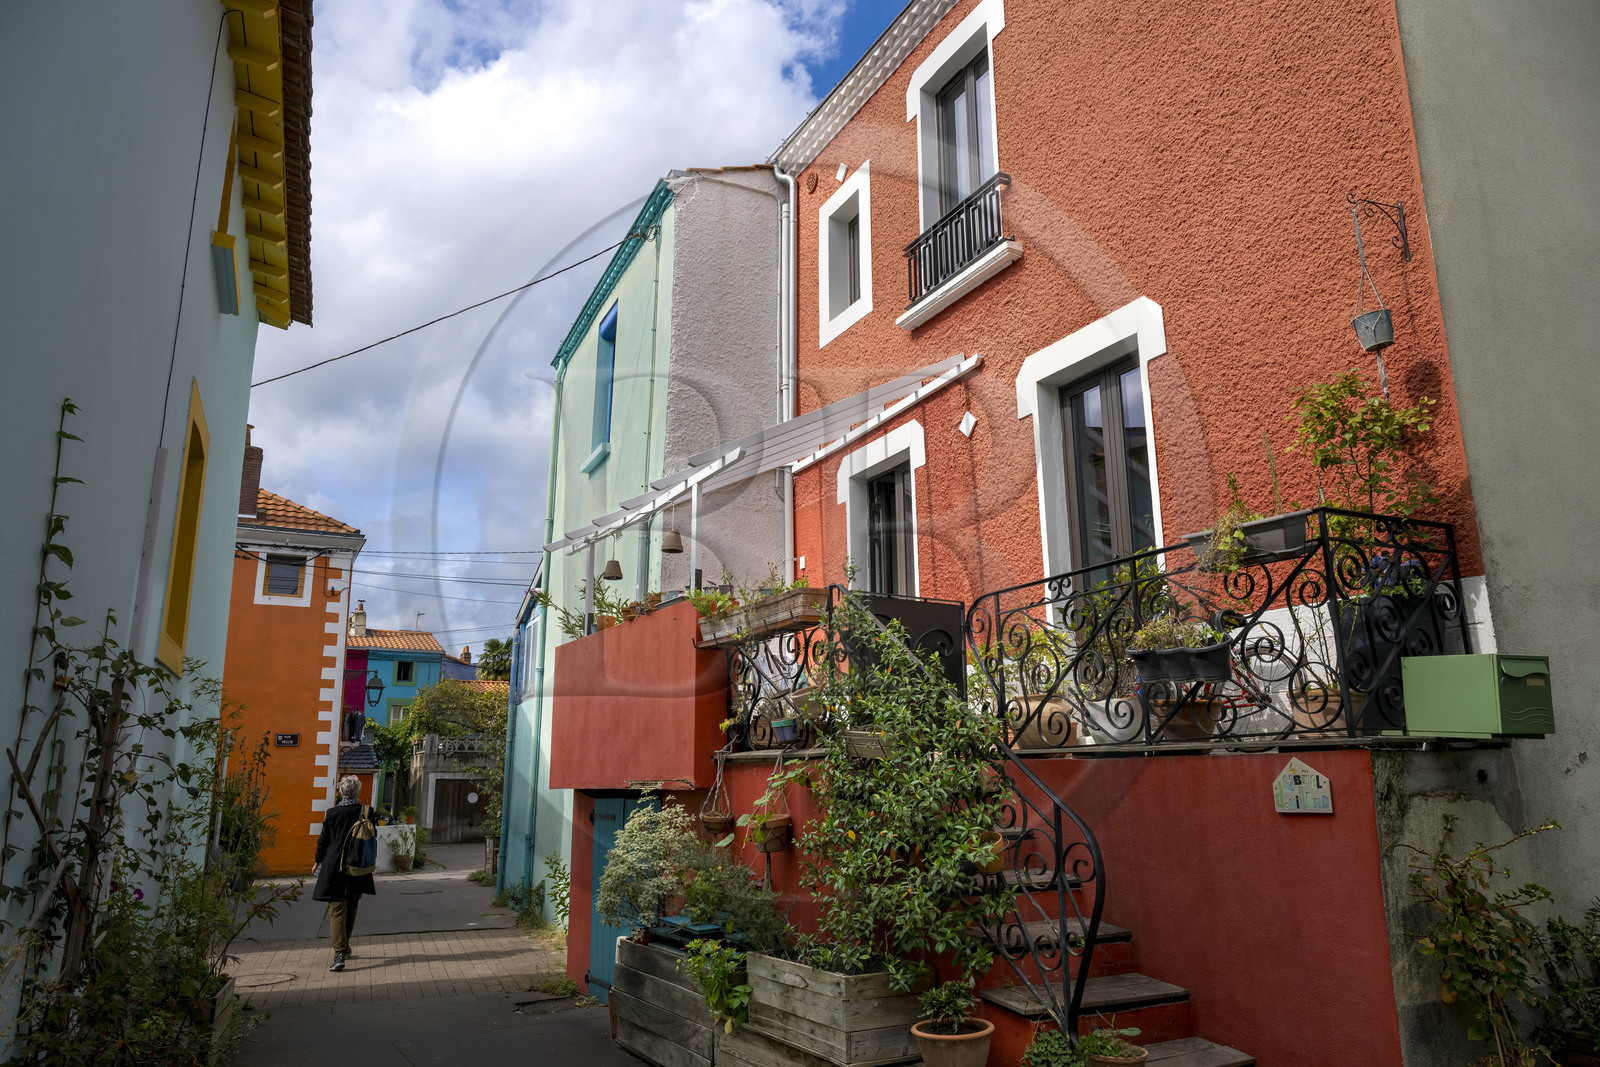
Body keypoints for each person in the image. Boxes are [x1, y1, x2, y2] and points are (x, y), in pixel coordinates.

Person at [312, 776, 376, 972]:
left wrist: (317, 861)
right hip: (358, 867)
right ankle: (345, 947)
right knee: (352, 906)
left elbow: (323, 841)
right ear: (357, 792)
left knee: (337, 909)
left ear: (340, 791)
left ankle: (339, 954)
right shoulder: (367, 812)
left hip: (336, 867)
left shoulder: (332, 813)